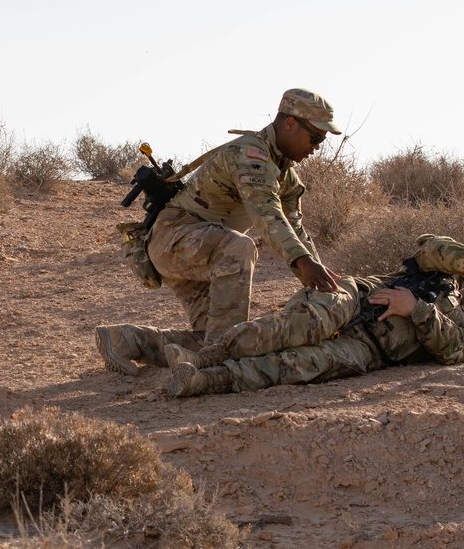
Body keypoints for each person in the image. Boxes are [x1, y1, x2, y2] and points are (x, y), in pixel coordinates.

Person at [96, 88, 342, 376]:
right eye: (315, 137)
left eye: (321, 141)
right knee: (241, 249)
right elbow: (267, 215)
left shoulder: (285, 175)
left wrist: (320, 282)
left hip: (206, 253)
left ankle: (125, 340)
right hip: (175, 239)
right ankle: (217, 364)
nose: (316, 147)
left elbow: (295, 229)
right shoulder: (251, 155)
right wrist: (303, 263)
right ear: (290, 123)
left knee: (216, 337)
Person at [162, 234, 464, 397]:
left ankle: (201, 382)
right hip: (352, 298)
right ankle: (202, 356)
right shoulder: (443, 273)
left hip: (367, 349)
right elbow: (432, 247)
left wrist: (415, 309)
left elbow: (452, 351)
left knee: (297, 365)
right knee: (301, 326)